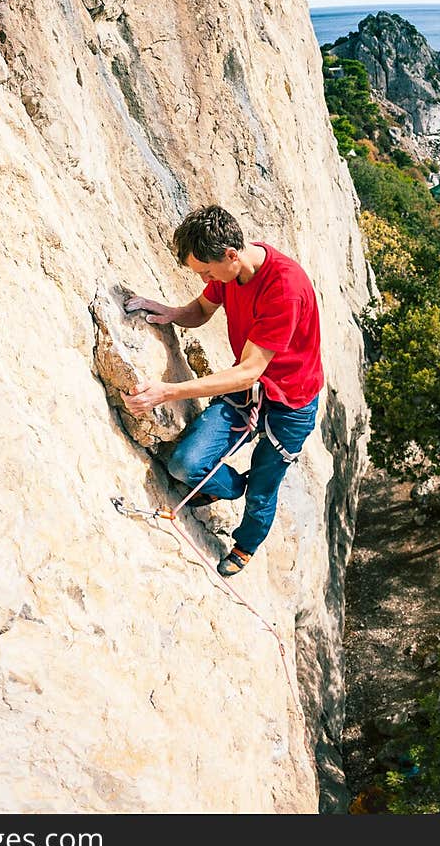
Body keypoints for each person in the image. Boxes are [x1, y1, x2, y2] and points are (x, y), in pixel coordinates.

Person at [122, 205, 324, 577]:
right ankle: (226, 487)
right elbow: (202, 308)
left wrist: (168, 391)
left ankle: (246, 544)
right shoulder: (231, 270)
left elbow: (248, 372)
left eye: (207, 271)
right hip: (249, 390)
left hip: (290, 403)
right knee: (185, 462)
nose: (205, 278)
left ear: (231, 254)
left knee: (264, 486)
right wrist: (170, 312)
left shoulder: (284, 289)